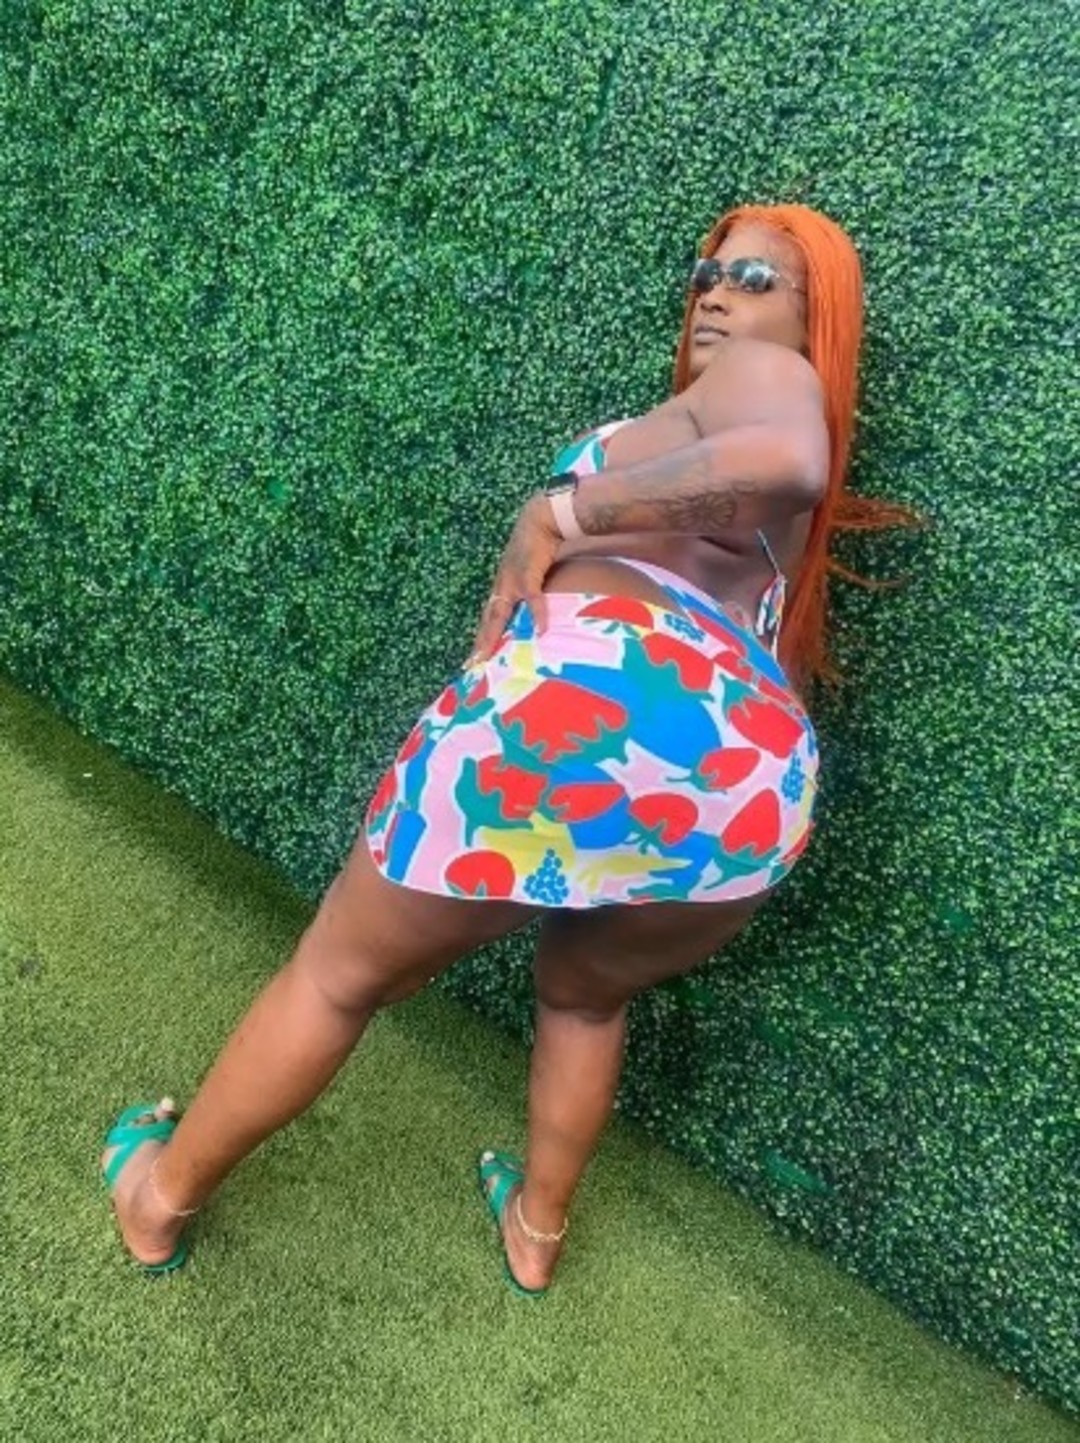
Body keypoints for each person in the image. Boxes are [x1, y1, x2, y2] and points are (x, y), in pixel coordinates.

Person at [102, 203, 914, 1296]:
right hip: (749, 788)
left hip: (581, 709)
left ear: (819, 320)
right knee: (585, 997)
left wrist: (559, 514)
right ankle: (537, 1227)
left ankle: (158, 1198)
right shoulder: (758, 521)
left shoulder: (768, 379)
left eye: (758, 278)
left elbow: (790, 457)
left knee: (339, 974)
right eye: (707, 272)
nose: (717, 293)